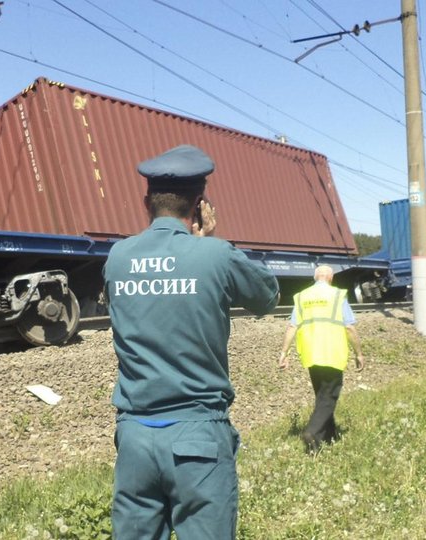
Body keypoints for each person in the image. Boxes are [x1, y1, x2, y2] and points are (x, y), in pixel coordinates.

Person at [103, 144, 280, 539]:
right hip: (198, 436)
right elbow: (267, 298)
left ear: (146, 202)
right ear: (199, 204)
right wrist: (210, 240)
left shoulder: (117, 257)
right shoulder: (216, 255)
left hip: (135, 436)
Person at [278, 265, 365, 453]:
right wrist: (358, 353)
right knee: (330, 394)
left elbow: (292, 327)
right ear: (331, 278)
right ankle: (312, 432)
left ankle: (328, 436)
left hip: (311, 353)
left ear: (315, 277)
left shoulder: (302, 296)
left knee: (322, 395)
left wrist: (284, 352)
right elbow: (349, 328)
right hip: (332, 351)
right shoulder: (337, 295)